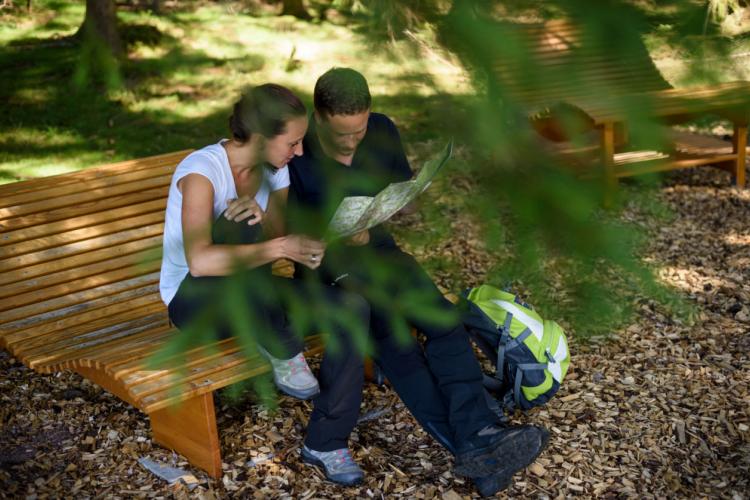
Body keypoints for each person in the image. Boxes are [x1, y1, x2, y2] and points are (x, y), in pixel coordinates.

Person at [287, 68, 549, 495]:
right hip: (332, 270)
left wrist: (395, 210)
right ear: (318, 118)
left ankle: (479, 433)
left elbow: (399, 194)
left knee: (444, 322)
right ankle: (478, 450)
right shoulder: (297, 153)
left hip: (382, 252)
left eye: (360, 129)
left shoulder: (384, 130)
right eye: (341, 135)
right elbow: (287, 231)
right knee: (399, 348)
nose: (353, 141)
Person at [159, 83, 368, 486]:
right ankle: (284, 348)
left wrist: (289, 234)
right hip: (196, 301)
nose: (300, 151)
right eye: (293, 142)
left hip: (255, 295)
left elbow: (275, 236)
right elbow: (200, 262)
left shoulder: (276, 168)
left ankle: (326, 440)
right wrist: (272, 239)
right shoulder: (202, 172)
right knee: (237, 223)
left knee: (352, 307)